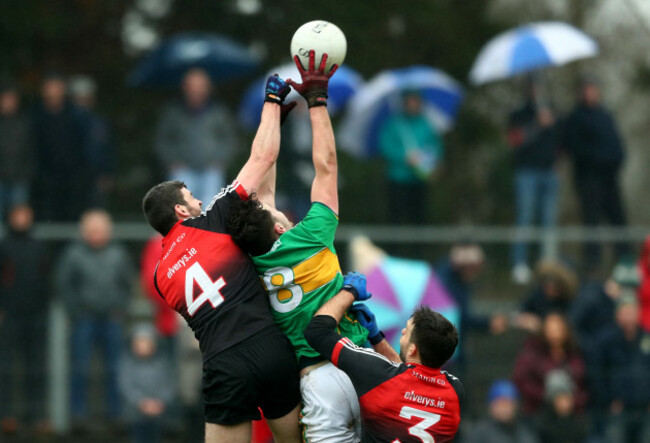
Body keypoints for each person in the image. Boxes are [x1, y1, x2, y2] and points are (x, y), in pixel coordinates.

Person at [227, 51, 381, 442]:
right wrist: (317, 99)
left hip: (316, 381)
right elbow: (326, 164)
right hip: (359, 361)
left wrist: (272, 118)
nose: (281, 212)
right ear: (279, 230)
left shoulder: (251, 261)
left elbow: (262, 187)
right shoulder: (312, 233)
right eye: (277, 215)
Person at [142, 74, 302, 443]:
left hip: (223, 364)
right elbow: (262, 160)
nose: (201, 199)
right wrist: (272, 105)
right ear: (182, 210)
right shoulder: (213, 220)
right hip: (268, 345)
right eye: (193, 196)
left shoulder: (159, 275)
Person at [304, 281, 463, 442]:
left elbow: (317, 331)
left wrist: (350, 291)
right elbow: (406, 375)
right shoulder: (455, 392)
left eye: (406, 331)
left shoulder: (377, 374)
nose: (402, 331)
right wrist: (377, 338)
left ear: (412, 350)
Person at [56, 209, 134, 428]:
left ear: (108, 230)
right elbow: (64, 285)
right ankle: (78, 414)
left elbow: (128, 284)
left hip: (112, 318)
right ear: (84, 231)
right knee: (80, 367)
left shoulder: (118, 253)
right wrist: (76, 311)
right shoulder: (73, 254)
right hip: (84, 318)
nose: (97, 234)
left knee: (116, 368)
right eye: (92, 230)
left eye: (101, 230)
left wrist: (121, 308)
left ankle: (116, 414)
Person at [563, 76, 628, 269]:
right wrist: (598, 159)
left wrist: (613, 161)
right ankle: (593, 262)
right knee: (591, 220)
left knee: (618, 218)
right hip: (589, 179)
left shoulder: (605, 116)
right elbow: (576, 148)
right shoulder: (576, 117)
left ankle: (624, 259)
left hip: (609, 178)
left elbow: (618, 146)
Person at [0, 205, 50, 436]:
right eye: (17, 215)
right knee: (7, 367)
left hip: (36, 315)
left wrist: (44, 307)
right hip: (9, 315)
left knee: (36, 368)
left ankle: (37, 415)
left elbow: (46, 278)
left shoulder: (39, 246)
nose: (22, 220)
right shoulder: (4, 246)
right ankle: (7, 415)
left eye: (26, 215)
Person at [155, 68, 238, 205]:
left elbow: (230, 139)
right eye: (192, 86)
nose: (196, 90)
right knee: (182, 209)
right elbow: (162, 140)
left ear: (208, 88)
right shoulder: (173, 113)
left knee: (210, 210)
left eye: (200, 86)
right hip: (182, 170)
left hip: (212, 170)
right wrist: (171, 161)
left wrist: (221, 160)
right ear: (184, 87)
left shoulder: (219, 112)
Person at [507, 78, 560, 284]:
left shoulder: (551, 110)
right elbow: (515, 141)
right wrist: (537, 125)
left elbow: (560, 139)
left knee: (549, 219)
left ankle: (548, 262)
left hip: (549, 171)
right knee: (525, 217)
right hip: (526, 172)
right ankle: (519, 263)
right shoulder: (519, 114)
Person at [435, 243, 507, 374]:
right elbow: (459, 316)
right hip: (446, 350)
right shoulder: (447, 285)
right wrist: (487, 323)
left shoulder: (459, 281)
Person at [379, 90, 443, 224]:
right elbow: (386, 147)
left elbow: (436, 147)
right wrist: (404, 157)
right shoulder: (394, 124)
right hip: (398, 178)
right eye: (410, 101)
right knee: (396, 217)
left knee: (419, 217)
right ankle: (394, 245)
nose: (413, 104)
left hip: (419, 178)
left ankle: (418, 245)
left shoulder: (426, 124)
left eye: (415, 101)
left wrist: (424, 158)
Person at [32, 72, 87, 221]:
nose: (54, 92)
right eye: (50, 87)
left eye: (57, 87)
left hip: (72, 175)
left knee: (73, 214)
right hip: (45, 176)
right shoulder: (35, 116)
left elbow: (83, 144)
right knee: (47, 214)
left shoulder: (76, 115)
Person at [513, 312, 587, 417]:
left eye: (558, 329)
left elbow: (584, 384)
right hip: (538, 413)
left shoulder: (575, 355)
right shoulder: (532, 353)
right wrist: (548, 396)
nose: (555, 334)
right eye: (551, 329)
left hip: (571, 415)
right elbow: (521, 381)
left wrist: (572, 400)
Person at [598, 296, 650, 442]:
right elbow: (598, 373)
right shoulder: (607, 341)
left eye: (631, 312)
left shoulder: (647, 338)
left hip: (646, 408)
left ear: (638, 313)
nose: (628, 317)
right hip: (618, 409)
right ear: (617, 315)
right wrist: (608, 400)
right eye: (624, 312)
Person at [119, 323, 175, 443]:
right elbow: (126, 386)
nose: (143, 346)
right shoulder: (127, 364)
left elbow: (169, 384)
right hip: (135, 413)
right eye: (139, 343)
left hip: (159, 412)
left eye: (146, 342)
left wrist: (160, 402)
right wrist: (142, 403)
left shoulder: (162, 363)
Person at [69, 75, 116, 208]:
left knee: (95, 211)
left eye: (86, 97)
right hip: (71, 177)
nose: (83, 101)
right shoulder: (65, 121)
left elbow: (108, 149)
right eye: (79, 98)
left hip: (96, 177)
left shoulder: (100, 122)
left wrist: (108, 173)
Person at [0, 82, 34, 221]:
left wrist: (27, 172)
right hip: (1, 179)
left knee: (19, 220)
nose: (8, 102)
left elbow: (32, 150)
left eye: (11, 98)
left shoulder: (25, 123)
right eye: (5, 98)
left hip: (20, 179)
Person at [516, 260, 578, 334]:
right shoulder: (537, 295)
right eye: (547, 285)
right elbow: (521, 313)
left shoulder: (566, 300)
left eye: (553, 286)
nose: (550, 289)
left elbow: (569, 322)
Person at [467, 380, 538, 443]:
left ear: (516, 406)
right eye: (500, 403)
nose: (504, 409)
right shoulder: (478, 433)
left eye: (508, 403)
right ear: (491, 406)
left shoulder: (524, 433)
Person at [536, 369, 588, 443]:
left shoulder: (579, 423)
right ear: (552, 400)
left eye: (568, 397)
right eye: (561, 398)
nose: (565, 402)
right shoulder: (542, 425)